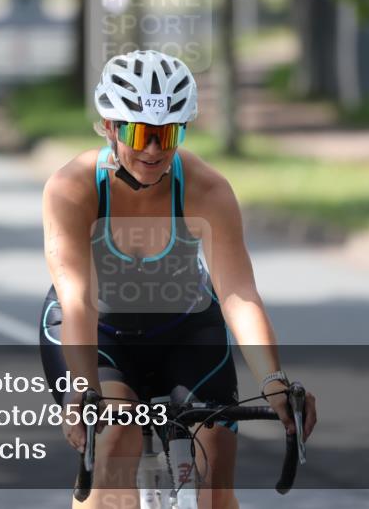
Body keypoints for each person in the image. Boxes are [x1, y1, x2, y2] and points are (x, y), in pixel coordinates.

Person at [39, 50, 317, 509]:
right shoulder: (72, 187)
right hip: (99, 333)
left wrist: (274, 381)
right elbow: (78, 299)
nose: (153, 149)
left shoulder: (206, 188)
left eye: (167, 133)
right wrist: (82, 393)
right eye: (140, 132)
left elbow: (237, 293)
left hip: (184, 329)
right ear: (109, 126)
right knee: (115, 439)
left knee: (217, 460)